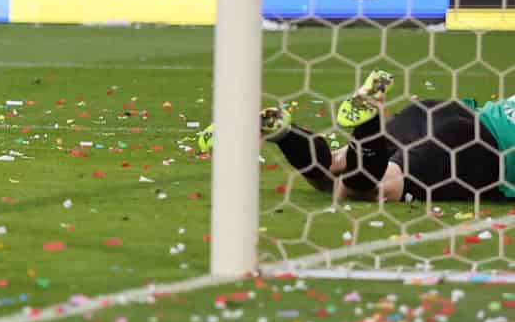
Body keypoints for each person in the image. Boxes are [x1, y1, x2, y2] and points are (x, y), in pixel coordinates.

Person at [200, 71, 515, 204]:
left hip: (444, 112)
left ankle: (282, 131)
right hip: (478, 146)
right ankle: (368, 123)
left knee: (332, 172)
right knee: (369, 188)